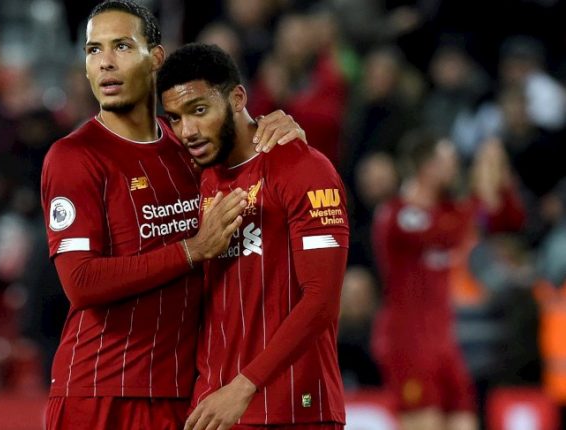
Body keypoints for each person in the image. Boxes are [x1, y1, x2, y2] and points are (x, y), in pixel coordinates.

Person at [40, 2, 304, 429]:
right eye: (93, 50)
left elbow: (251, 157)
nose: (105, 62)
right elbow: (81, 282)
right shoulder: (74, 157)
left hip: (183, 394)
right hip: (100, 392)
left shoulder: (188, 148)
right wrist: (191, 250)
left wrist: (283, 136)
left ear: (156, 57)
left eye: (122, 46)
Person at [158, 43, 349, 429]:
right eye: (175, 118)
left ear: (237, 98)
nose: (187, 130)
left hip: (293, 410)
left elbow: (321, 300)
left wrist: (245, 385)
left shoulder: (304, 169)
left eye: (199, 110)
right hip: (213, 408)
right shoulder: (197, 178)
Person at [370, 131, 525, 430]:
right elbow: (446, 233)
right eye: (448, 161)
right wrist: (479, 192)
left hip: (444, 341)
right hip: (407, 340)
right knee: (424, 424)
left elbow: (508, 219)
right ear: (427, 167)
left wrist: (499, 175)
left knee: (465, 421)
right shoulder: (396, 215)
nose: (455, 167)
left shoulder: (449, 211)